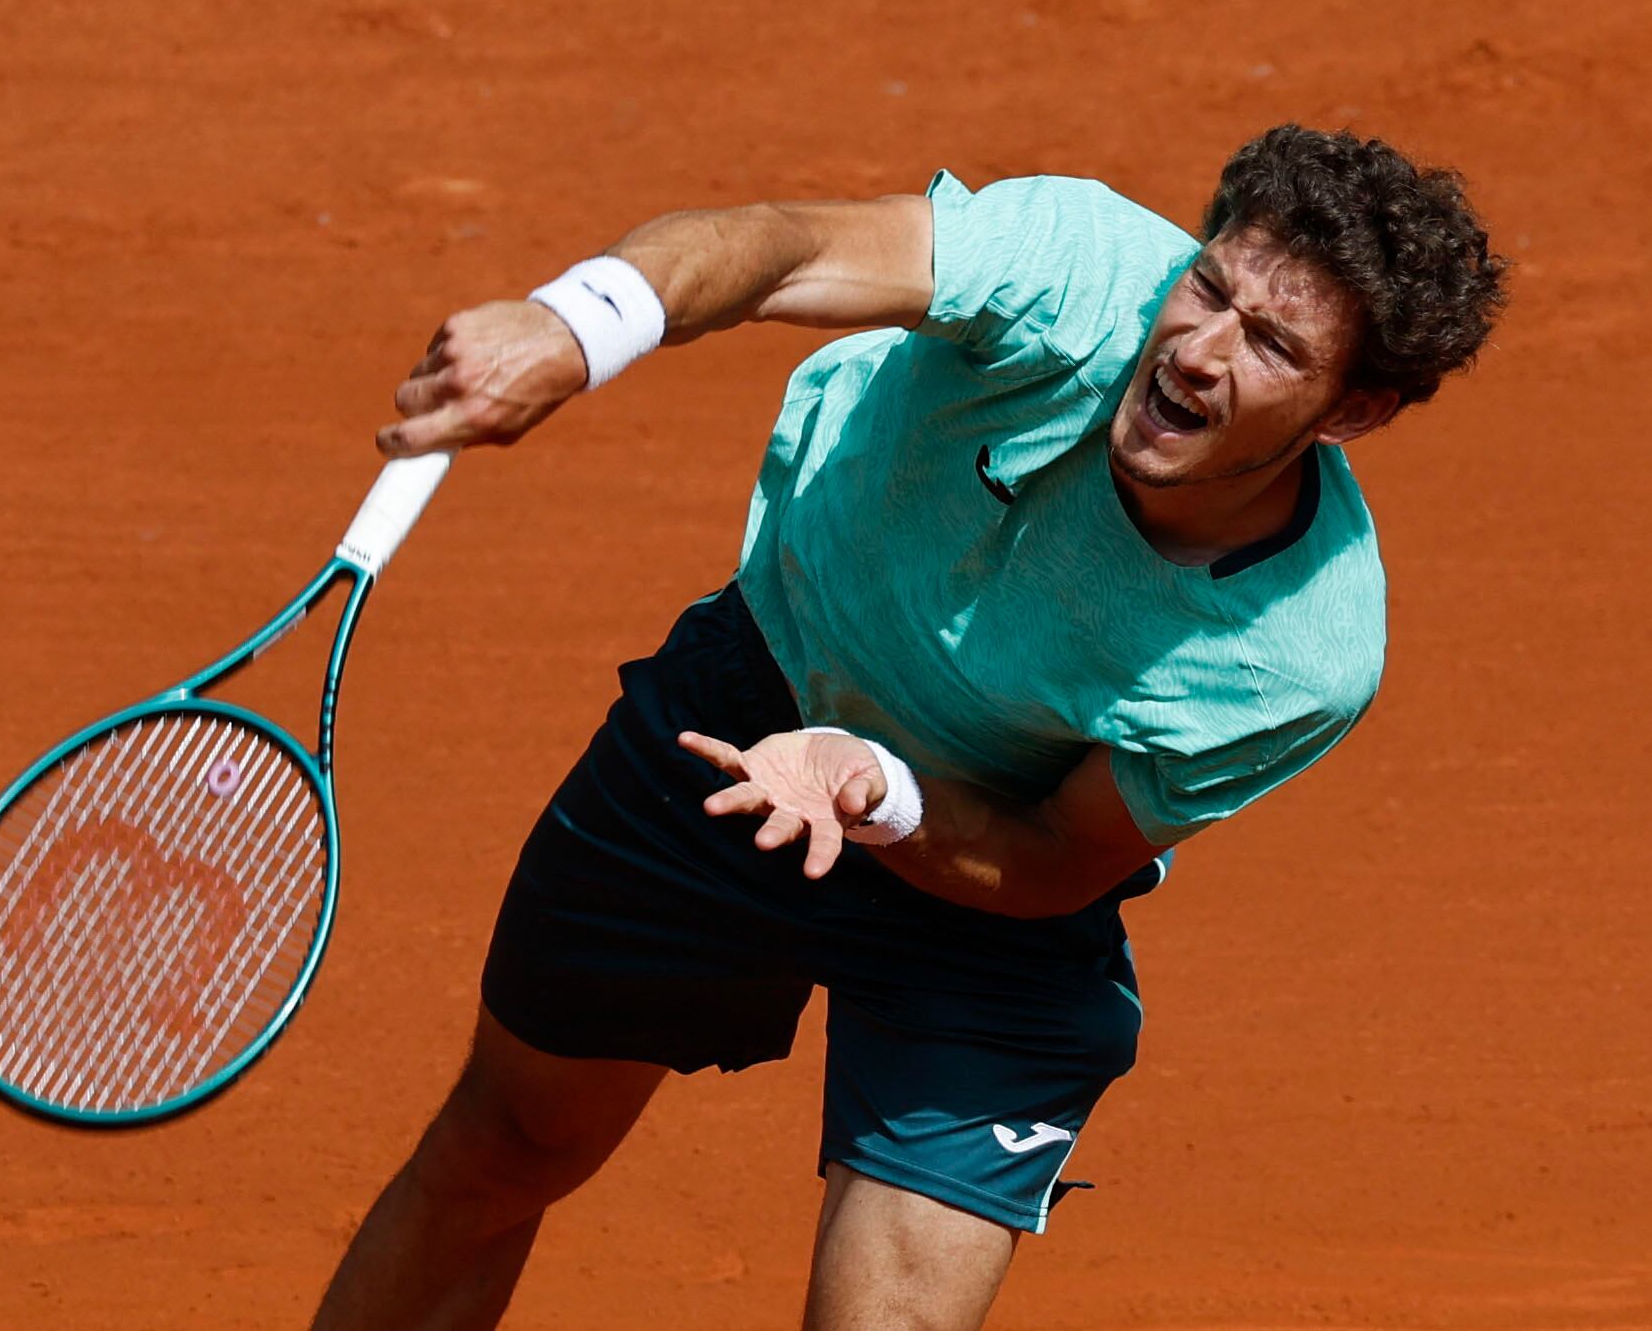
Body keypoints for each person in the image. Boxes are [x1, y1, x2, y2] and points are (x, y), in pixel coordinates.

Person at [309, 124, 1507, 1329]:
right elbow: (786, 250)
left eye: (1270, 344)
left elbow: (1049, 860)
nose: (1197, 351)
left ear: (1353, 410)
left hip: (976, 885)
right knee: (505, 1151)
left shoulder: (1297, 653)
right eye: (1206, 290)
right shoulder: (1076, 267)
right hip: (740, 716)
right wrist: (582, 321)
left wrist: (876, 789)